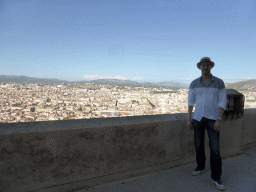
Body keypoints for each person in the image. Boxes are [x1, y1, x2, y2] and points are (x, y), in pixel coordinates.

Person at [187, 57, 227, 191]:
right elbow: (190, 102)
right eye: (203, 65)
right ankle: (200, 167)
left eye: (207, 65)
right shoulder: (194, 83)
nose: (205, 67)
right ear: (200, 67)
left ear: (211, 66)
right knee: (198, 145)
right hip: (198, 118)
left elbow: (222, 101)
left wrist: (219, 119)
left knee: (215, 148)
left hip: (213, 119)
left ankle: (216, 177)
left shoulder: (219, 83)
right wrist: (189, 118)